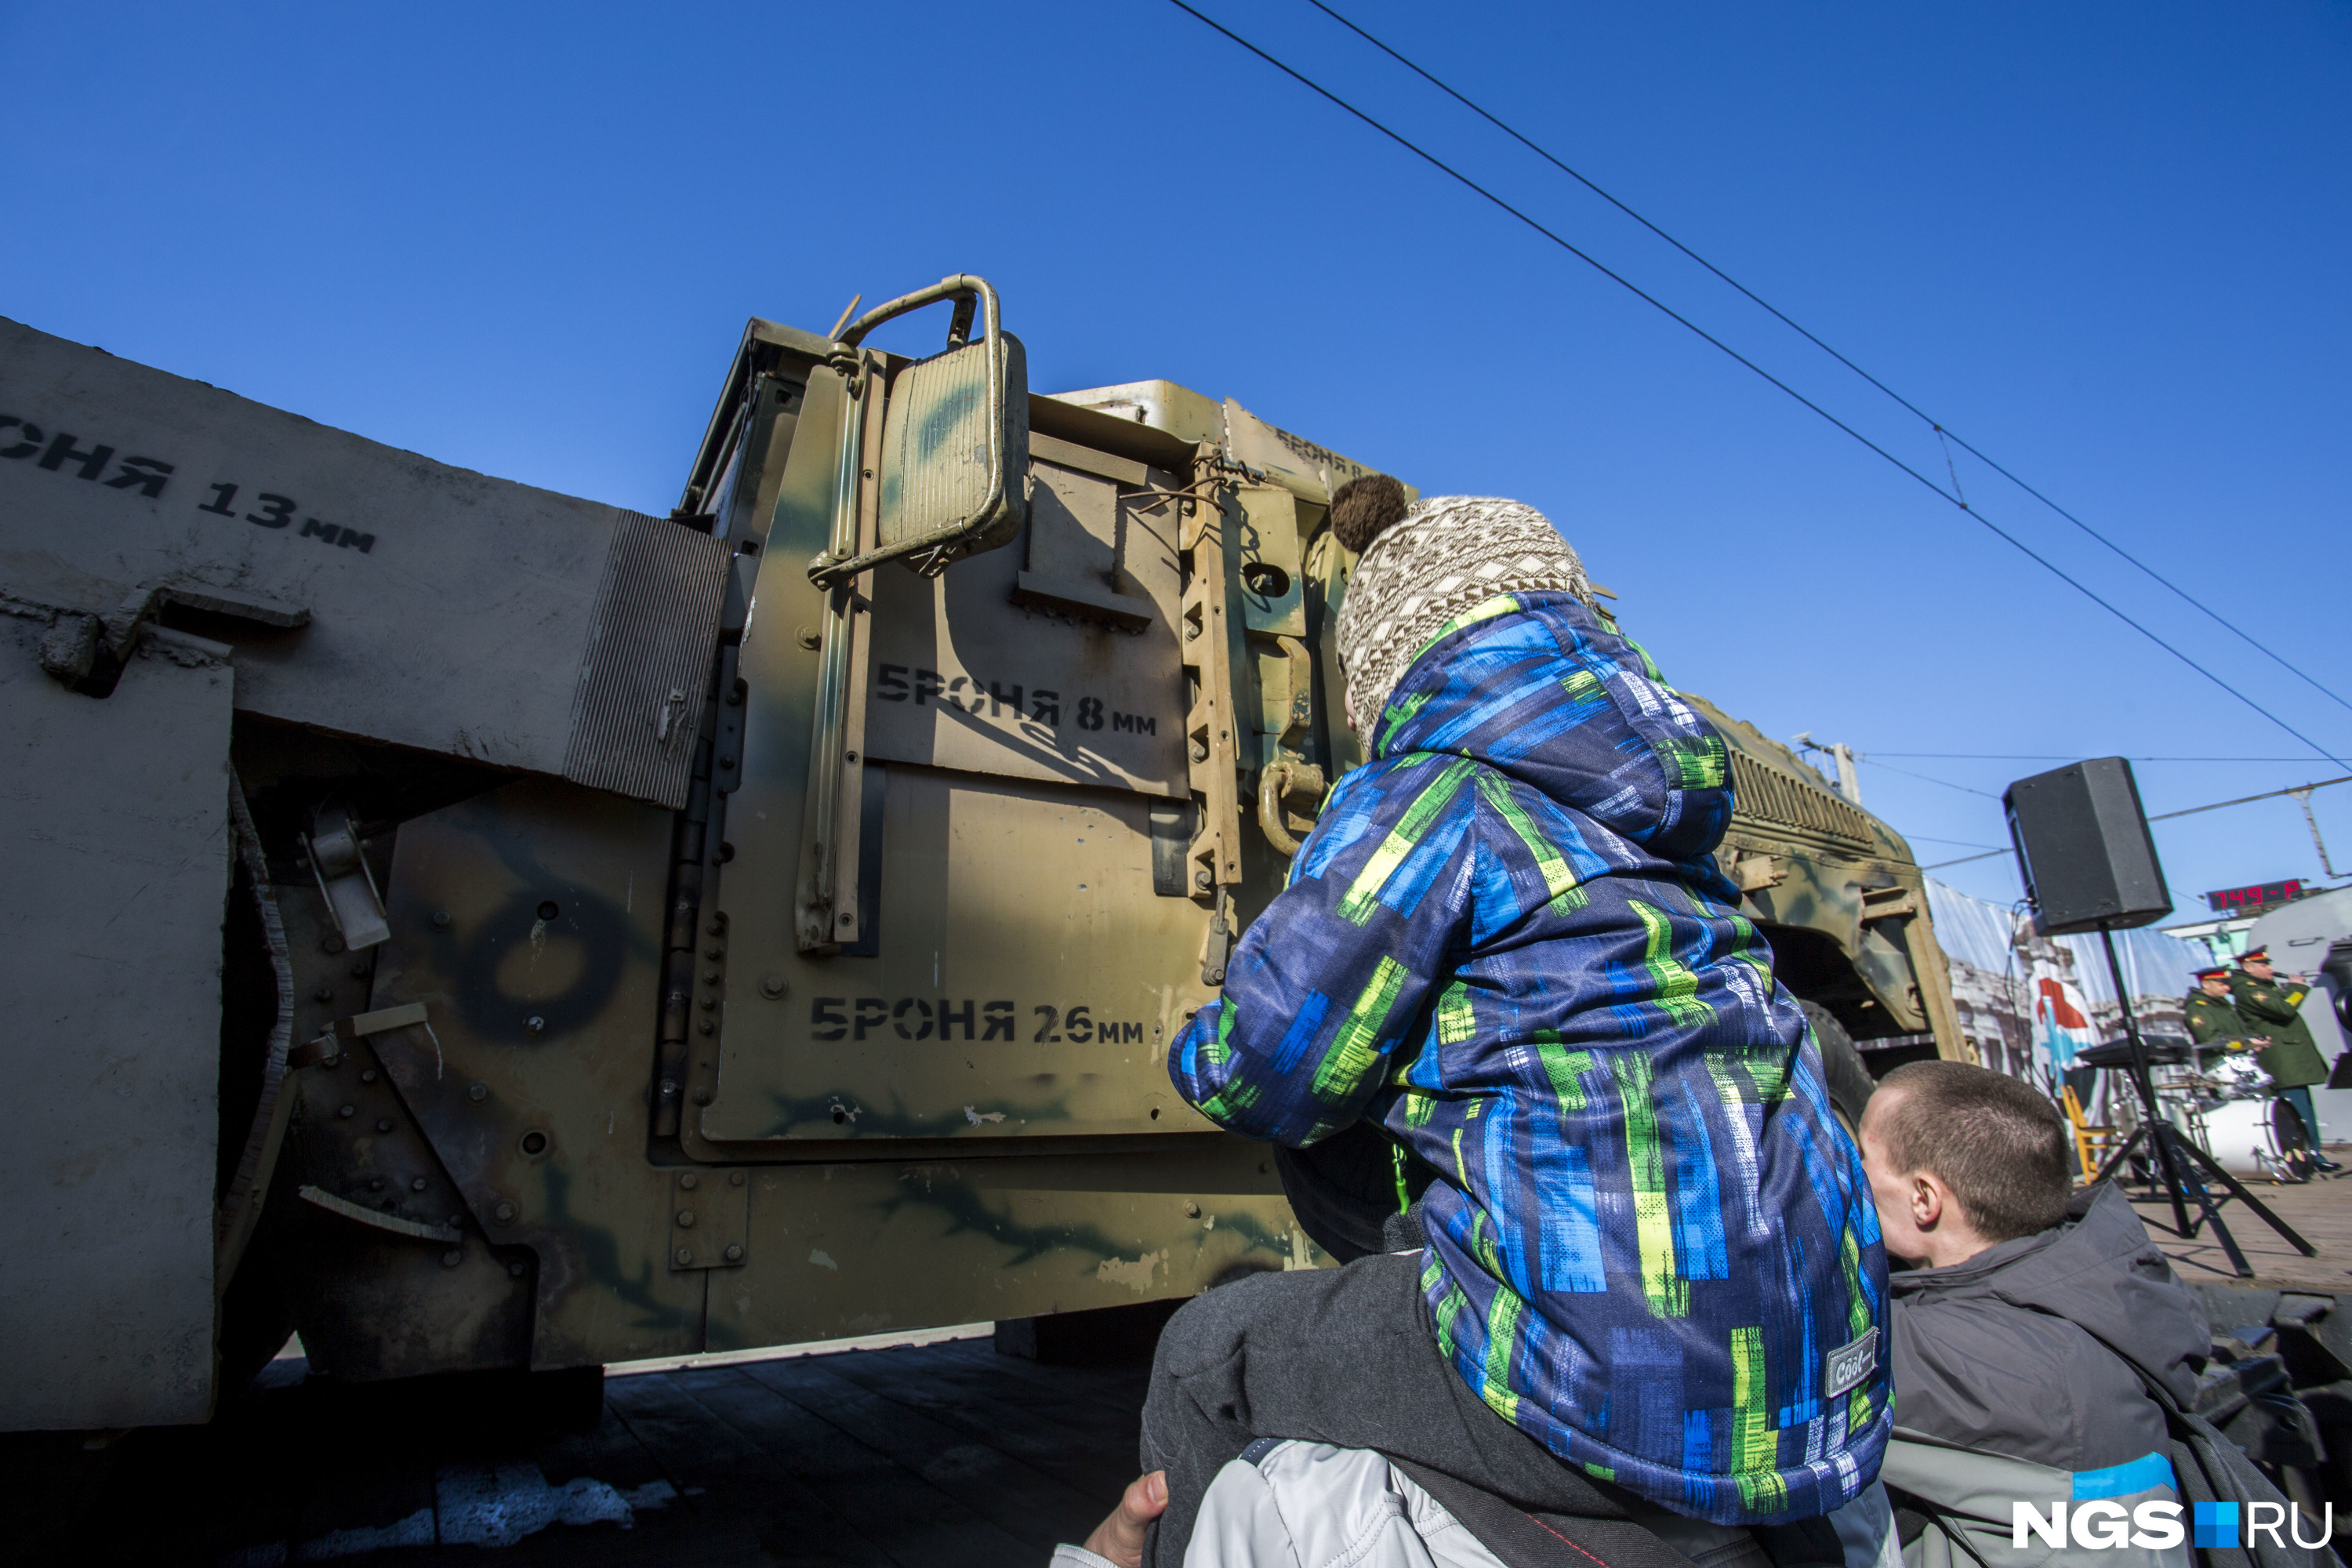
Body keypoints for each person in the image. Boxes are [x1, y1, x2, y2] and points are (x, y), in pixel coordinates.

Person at [1120, 485, 1889, 1566]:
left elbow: (1264, 1074)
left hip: (1630, 1391)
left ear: (1392, 657)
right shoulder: (1680, 829)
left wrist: (1193, 1037)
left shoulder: (1433, 796)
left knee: (1209, 1353)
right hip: (1823, 1387)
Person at [1856, 1060, 2207, 1568]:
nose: (1849, 1170)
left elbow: (1737, 1358)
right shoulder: (2098, 1285)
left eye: (1862, 1156)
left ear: (1924, 1198)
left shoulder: (1954, 1358)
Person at [2230, 948, 2338, 1171]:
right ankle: (2303, 1159)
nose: (2270, 968)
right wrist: (2298, 987)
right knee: (2295, 1111)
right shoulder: (2248, 991)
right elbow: (2285, 1009)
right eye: (2264, 965)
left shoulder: (2263, 987)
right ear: (2248, 968)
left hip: (2292, 1057)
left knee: (2305, 1110)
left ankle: (2314, 1155)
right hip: (2282, 1058)